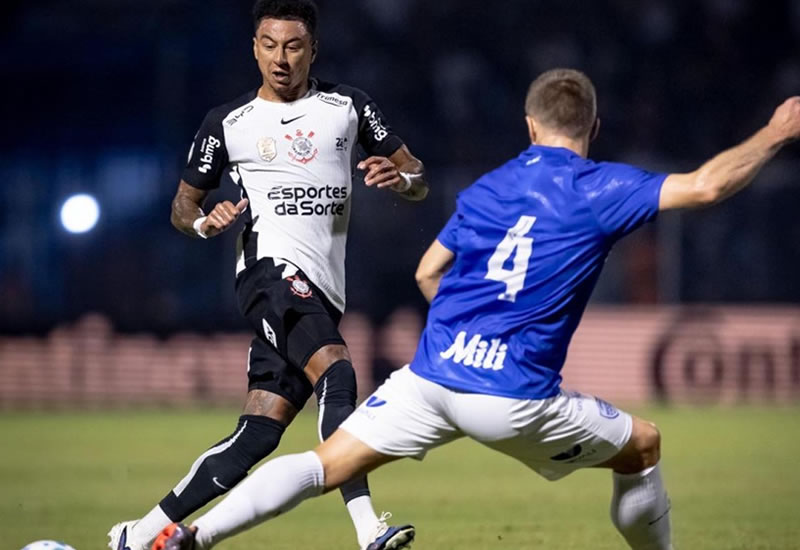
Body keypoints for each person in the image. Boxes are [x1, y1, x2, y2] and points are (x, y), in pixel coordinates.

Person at [152, 69, 800, 550]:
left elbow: (427, 271)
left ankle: (193, 539)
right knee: (645, 445)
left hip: (431, 379)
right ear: (593, 128)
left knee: (324, 465)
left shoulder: (489, 186)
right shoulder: (602, 188)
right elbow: (709, 184)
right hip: (513, 398)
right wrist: (776, 131)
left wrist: (470, 329)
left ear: (529, 126)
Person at [107, 1, 427, 550]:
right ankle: (368, 529)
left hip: (323, 292)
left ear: (313, 50)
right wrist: (208, 224)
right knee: (339, 374)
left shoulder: (349, 107)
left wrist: (402, 181)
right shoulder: (227, 123)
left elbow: (418, 176)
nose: (281, 58)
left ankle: (136, 537)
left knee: (257, 434)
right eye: (269, 45)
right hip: (268, 276)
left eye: (293, 46)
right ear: (254, 48)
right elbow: (182, 209)